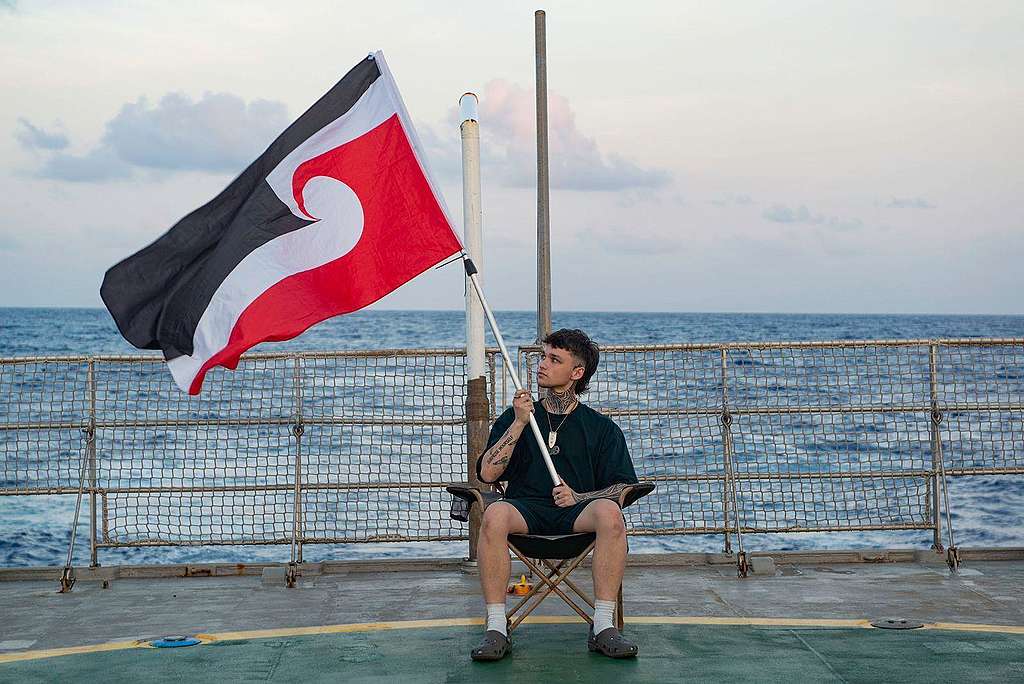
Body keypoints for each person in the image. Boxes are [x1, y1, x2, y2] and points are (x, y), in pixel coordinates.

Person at [470, 328, 640, 661]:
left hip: (576, 515)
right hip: (526, 511)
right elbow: (488, 473)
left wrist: (580, 497)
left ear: (576, 373)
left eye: (553, 359)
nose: (541, 365)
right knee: (493, 514)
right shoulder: (518, 416)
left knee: (610, 513)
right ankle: (495, 628)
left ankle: (603, 626)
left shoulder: (601, 429)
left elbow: (623, 488)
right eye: (543, 357)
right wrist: (519, 424)